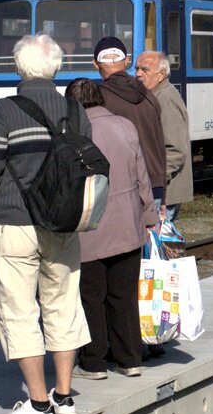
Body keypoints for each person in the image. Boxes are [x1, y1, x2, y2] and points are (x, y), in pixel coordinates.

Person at [0, 34, 91, 414]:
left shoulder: (6, 110)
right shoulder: (75, 111)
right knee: (63, 303)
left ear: (19, 68)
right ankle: (64, 395)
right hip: (64, 223)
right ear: (56, 67)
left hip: (16, 221)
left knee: (20, 309)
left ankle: (37, 405)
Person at [64, 78, 154, 380]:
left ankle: (94, 362)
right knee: (124, 295)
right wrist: (149, 215)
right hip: (127, 224)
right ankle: (130, 359)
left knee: (91, 296)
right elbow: (141, 175)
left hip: (89, 227)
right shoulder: (125, 126)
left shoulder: (72, 133)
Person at [93, 37, 167, 213]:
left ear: (95, 64)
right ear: (127, 61)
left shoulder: (97, 99)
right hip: (154, 184)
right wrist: (163, 193)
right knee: (151, 239)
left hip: (122, 189)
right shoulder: (150, 97)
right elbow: (160, 146)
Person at [135, 51, 193, 221]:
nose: (138, 73)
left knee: (158, 241)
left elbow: (176, 149)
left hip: (165, 192)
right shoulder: (155, 96)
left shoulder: (166, 99)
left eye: (144, 69)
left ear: (161, 74)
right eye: (137, 68)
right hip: (161, 188)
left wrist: (155, 180)